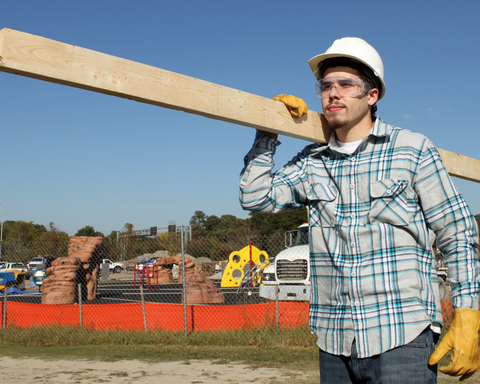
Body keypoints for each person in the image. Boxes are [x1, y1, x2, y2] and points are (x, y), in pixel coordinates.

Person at [239, 37, 480, 383]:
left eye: (346, 84)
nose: (332, 93)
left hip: (402, 336)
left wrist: (467, 312)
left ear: (372, 95)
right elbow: (255, 196)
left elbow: (457, 231)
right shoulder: (312, 162)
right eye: (325, 86)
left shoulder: (411, 149)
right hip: (335, 339)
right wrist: (267, 132)